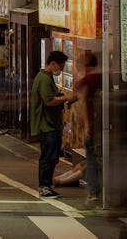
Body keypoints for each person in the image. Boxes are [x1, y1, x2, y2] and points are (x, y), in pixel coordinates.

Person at [30, 50, 75, 198]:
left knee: (52, 156)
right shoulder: (43, 79)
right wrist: (67, 97)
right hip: (47, 124)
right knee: (48, 156)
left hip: (51, 124)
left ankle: (47, 185)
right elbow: (49, 101)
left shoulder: (46, 77)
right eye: (61, 66)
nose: (61, 70)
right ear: (53, 63)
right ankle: (44, 186)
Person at [74, 51, 102, 205]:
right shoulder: (104, 78)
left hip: (92, 126)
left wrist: (86, 126)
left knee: (91, 160)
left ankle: (93, 192)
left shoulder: (86, 80)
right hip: (105, 126)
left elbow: (83, 102)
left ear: (84, 65)